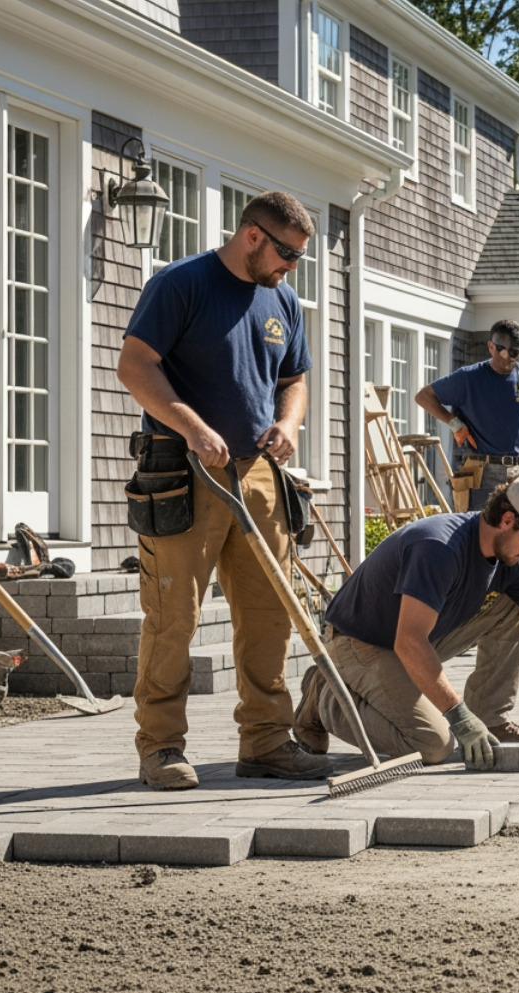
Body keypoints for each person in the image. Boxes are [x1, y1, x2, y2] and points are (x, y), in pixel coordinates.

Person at [117, 189, 329, 791]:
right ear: (253, 236)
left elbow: (295, 378)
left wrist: (289, 424)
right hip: (184, 474)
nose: (293, 268)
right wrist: (191, 426)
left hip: (260, 476)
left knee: (270, 617)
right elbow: (134, 366)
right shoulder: (181, 284)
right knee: (172, 618)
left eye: (300, 259)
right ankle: (161, 748)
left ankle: (265, 741)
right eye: (288, 254)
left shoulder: (281, 299)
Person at [294, 475, 519, 768]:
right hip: (359, 642)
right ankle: (325, 696)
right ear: (507, 521)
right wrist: (458, 716)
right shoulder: (438, 548)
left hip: (413, 638)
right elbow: (409, 641)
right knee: (433, 746)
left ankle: (490, 719)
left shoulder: (514, 561)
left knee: (514, 606)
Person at [416, 319, 519, 493]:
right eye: (509, 351)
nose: (513, 358)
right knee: (480, 520)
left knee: (518, 521)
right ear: (491, 346)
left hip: (518, 471)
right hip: (481, 472)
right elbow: (423, 396)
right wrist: (454, 423)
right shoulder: (469, 378)